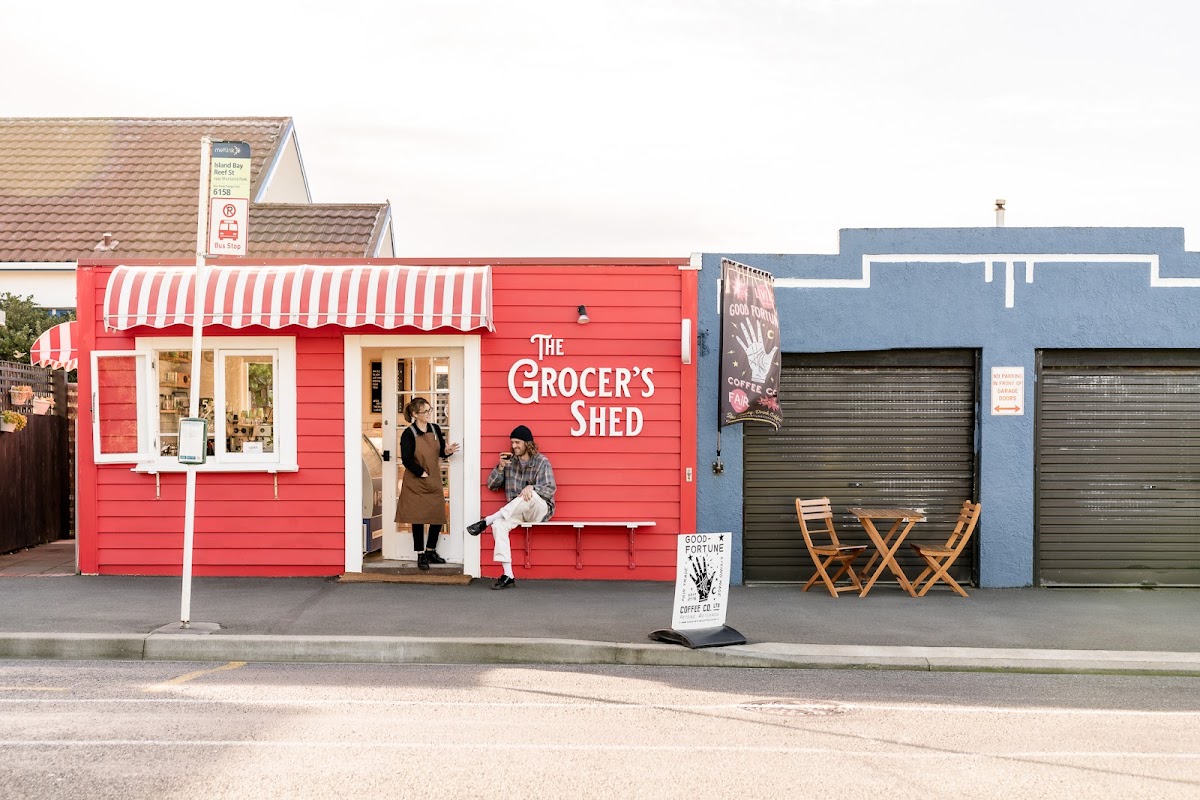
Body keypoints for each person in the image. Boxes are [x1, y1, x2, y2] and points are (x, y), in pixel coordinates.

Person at [466, 425, 556, 589]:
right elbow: (492, 485)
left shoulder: (541, 461)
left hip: (539, 509)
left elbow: (550, 489)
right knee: (498, 525)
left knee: (528, 494)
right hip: (516, 511)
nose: (514, 446)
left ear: (527, 443)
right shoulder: (509, 462)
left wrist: (532, 488)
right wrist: (500, 468)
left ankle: (486, 521)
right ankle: (508, 575)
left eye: (517, 442)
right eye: (512, 443)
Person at [396, 397, 459, 570]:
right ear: (415, 414)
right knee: (418, 519)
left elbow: (440, 453)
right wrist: (421, 472)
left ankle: (431, 550)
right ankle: (420, 554)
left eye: (430, 410)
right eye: (426, 411)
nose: (429, 414)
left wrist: (448, 452)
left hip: (433, 480)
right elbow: (407, 459)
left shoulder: (435, 429)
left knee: (437, 516)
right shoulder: (408, 434)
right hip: (416, 482)